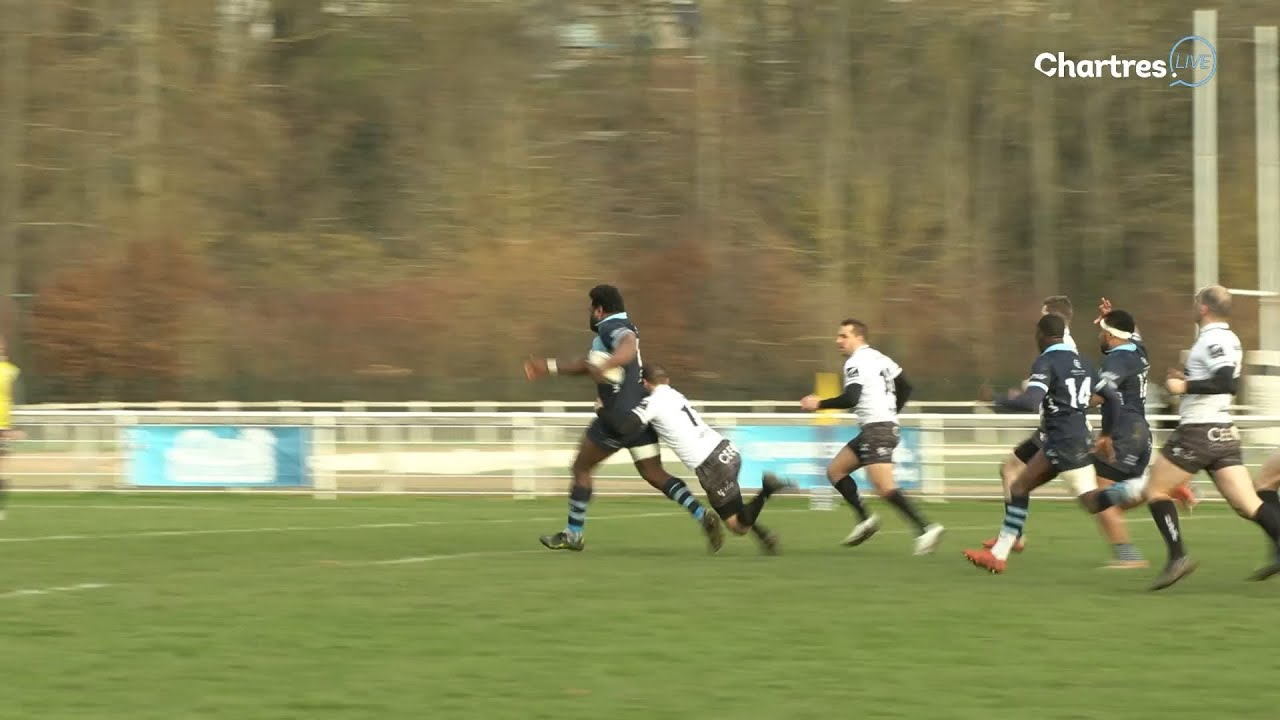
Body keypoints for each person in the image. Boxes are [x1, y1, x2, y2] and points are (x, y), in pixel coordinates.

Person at [524, 285, 723, 553]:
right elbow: (586, 364)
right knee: (654, 473)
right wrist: (548, 367)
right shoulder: (615, 330)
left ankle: (573, 534)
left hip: (614, 418)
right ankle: (700, 514)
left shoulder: (611, 327)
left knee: (581, 468)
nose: (590, 315)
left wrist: (606, 366)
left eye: (591, 310)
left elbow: (627, 346)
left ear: (599, 310)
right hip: (639, 418)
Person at [1127, 286, 1280, 590]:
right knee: (1248, 504)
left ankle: (1177, 557)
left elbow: (1226, 381)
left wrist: (1183, 388)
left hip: (1199, 430)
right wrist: (1188, 381)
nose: (1193, 306)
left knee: (1155, 489)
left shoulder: (1214, 339)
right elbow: (1219, 378)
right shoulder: (1228, 338)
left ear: (1205, 308)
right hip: (1222, 430)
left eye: (1196, 301)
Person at [964, 313, 1124, 574]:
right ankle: (998, 554)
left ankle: (999, 554)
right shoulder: (1083, 361)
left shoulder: (1047, 360)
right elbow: (1114, 399)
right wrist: (1106, 435)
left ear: (1042, 336)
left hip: (1060, 440)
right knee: (1089, 501)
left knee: (1020, 486)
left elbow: (1030, 402)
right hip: (1079, 438)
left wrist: (997, 400)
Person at [800, 319, 945, 554]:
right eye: (838, 336)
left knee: (885, 488)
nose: (838, 341)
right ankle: (865, 520)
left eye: (843, 336)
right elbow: (905, 386)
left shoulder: (855, 362)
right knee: (835, 471)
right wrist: (890, 412)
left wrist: (819, 403)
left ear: (859, 337)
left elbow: (851, 398)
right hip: (877, 428)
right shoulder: (880, 358)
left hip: (877, 430)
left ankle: (926, 528)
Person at [616, 363, 789, 554]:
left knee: (737, 526)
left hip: (711, 465)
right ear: (666, 380)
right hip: (727, 450)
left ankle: (766, 490)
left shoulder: (653, 402)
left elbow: (627, 425)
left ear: (646, 383)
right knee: (736, 508)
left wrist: (607, 410)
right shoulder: (675, 394)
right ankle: (765, 537)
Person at [0, 338, 18, 521]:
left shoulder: (10, 371)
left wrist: (13, 427)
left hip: (2, 427)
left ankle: (1, 508)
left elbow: (14, 400)